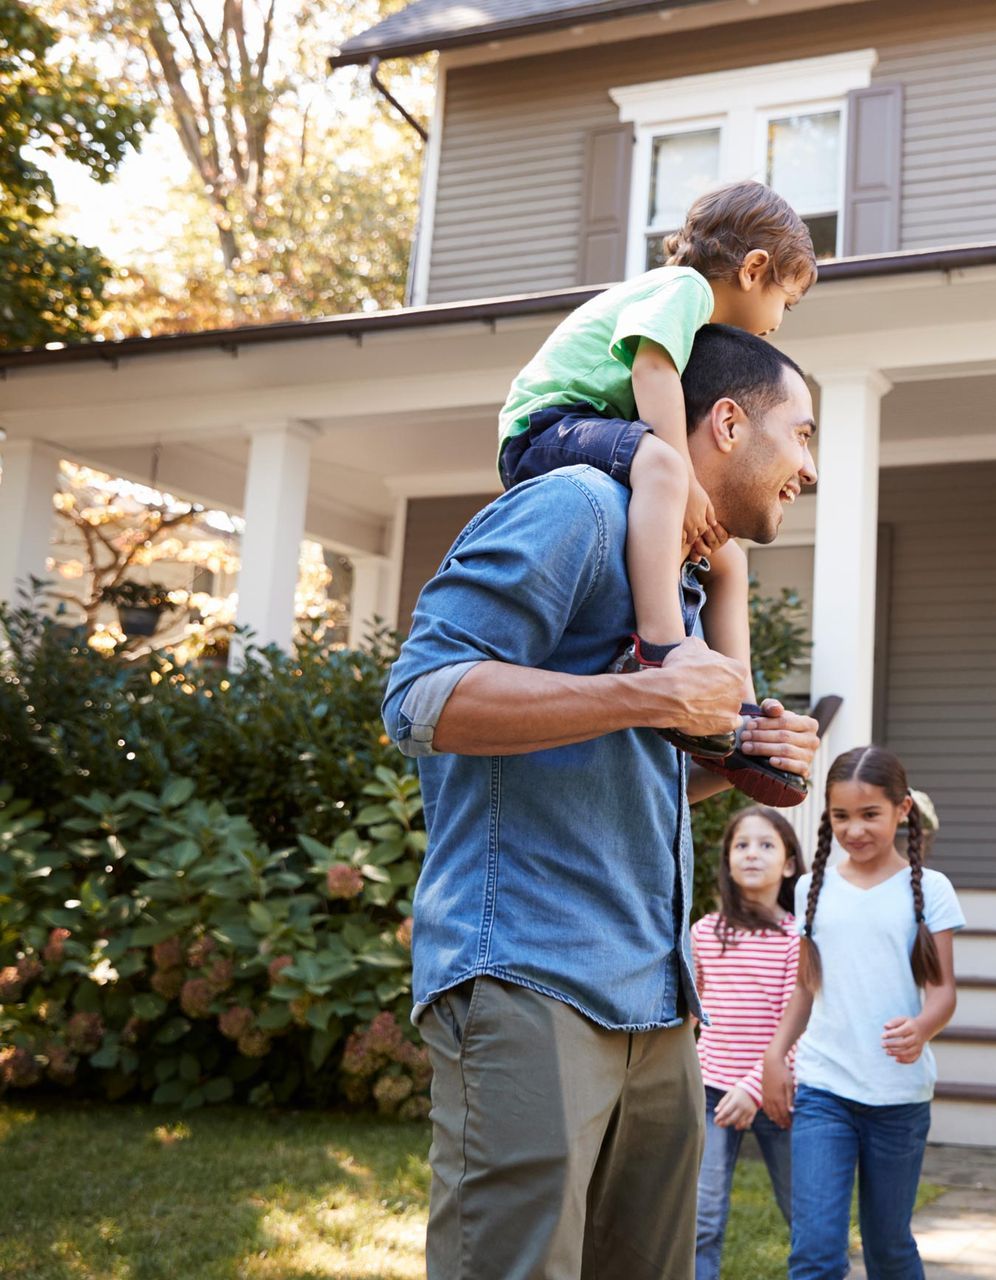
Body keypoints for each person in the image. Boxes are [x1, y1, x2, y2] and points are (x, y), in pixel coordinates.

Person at [382, 324, 821, 1280]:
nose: (810, 468)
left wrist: (744, 758)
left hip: (660, 1005)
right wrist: (649, 694)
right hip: (532, 978)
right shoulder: (576, 507)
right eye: (803, 435)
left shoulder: (681, 575)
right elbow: (419, 698)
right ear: (731, 422)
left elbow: (635, 765)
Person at [496, 178, 817, 804]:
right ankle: (663, 648)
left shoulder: (688, 312)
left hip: (586, 428)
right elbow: (651, 369)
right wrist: (684, 475)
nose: (779, 322)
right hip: (547, 423)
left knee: (728, 558)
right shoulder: (682, 289)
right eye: (788, 301)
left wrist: (736, 735)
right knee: (663, 467)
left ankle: (742, 715)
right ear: (754, 269)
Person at [761, 747, 964, 1280]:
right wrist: (775, 1056)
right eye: (841, 816)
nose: (855, 829)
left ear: (902, 811)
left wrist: (921, 1028)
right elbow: (807, 989)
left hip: (898, 1099)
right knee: (815, 1252)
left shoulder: (931, 890)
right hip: (825, 1089)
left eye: (869, 814)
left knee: (889, 1248)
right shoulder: (811, 888)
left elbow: (943, 994)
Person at [692, 806, 803, 1280]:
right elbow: (689, 1018)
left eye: (766, 845)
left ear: (790, 863)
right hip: (711, 1093)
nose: (752, 854)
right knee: (701, 1218)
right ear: (728, 860)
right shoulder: (703, 933)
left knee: (806, 1213)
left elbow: (797, 1027)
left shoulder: (798, 938)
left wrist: (754, 1088)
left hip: (779, 1094)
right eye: (741, 845)